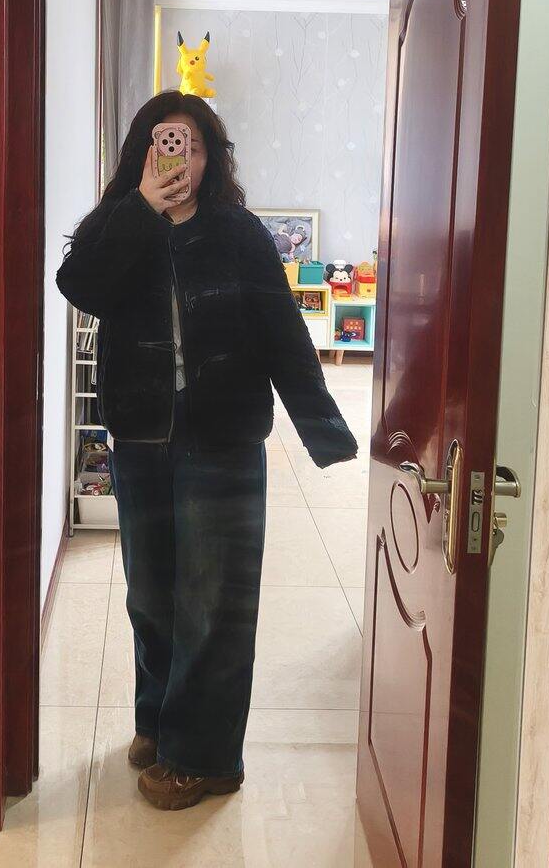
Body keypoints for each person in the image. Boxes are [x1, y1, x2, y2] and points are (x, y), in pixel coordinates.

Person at [55, 90, 358, 812]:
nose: (178, 160)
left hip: (223, 436)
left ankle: (204, 757)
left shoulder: (239, 234)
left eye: (190, 146)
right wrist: (141, 209)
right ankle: (161, 722)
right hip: (141, 436)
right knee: (150, 595)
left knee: (214, 601)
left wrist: (323, 428)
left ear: (210, 157)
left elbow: (283, 331)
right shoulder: (120, 222)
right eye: (165, 145)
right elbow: (80, 285)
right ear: (142, 155)